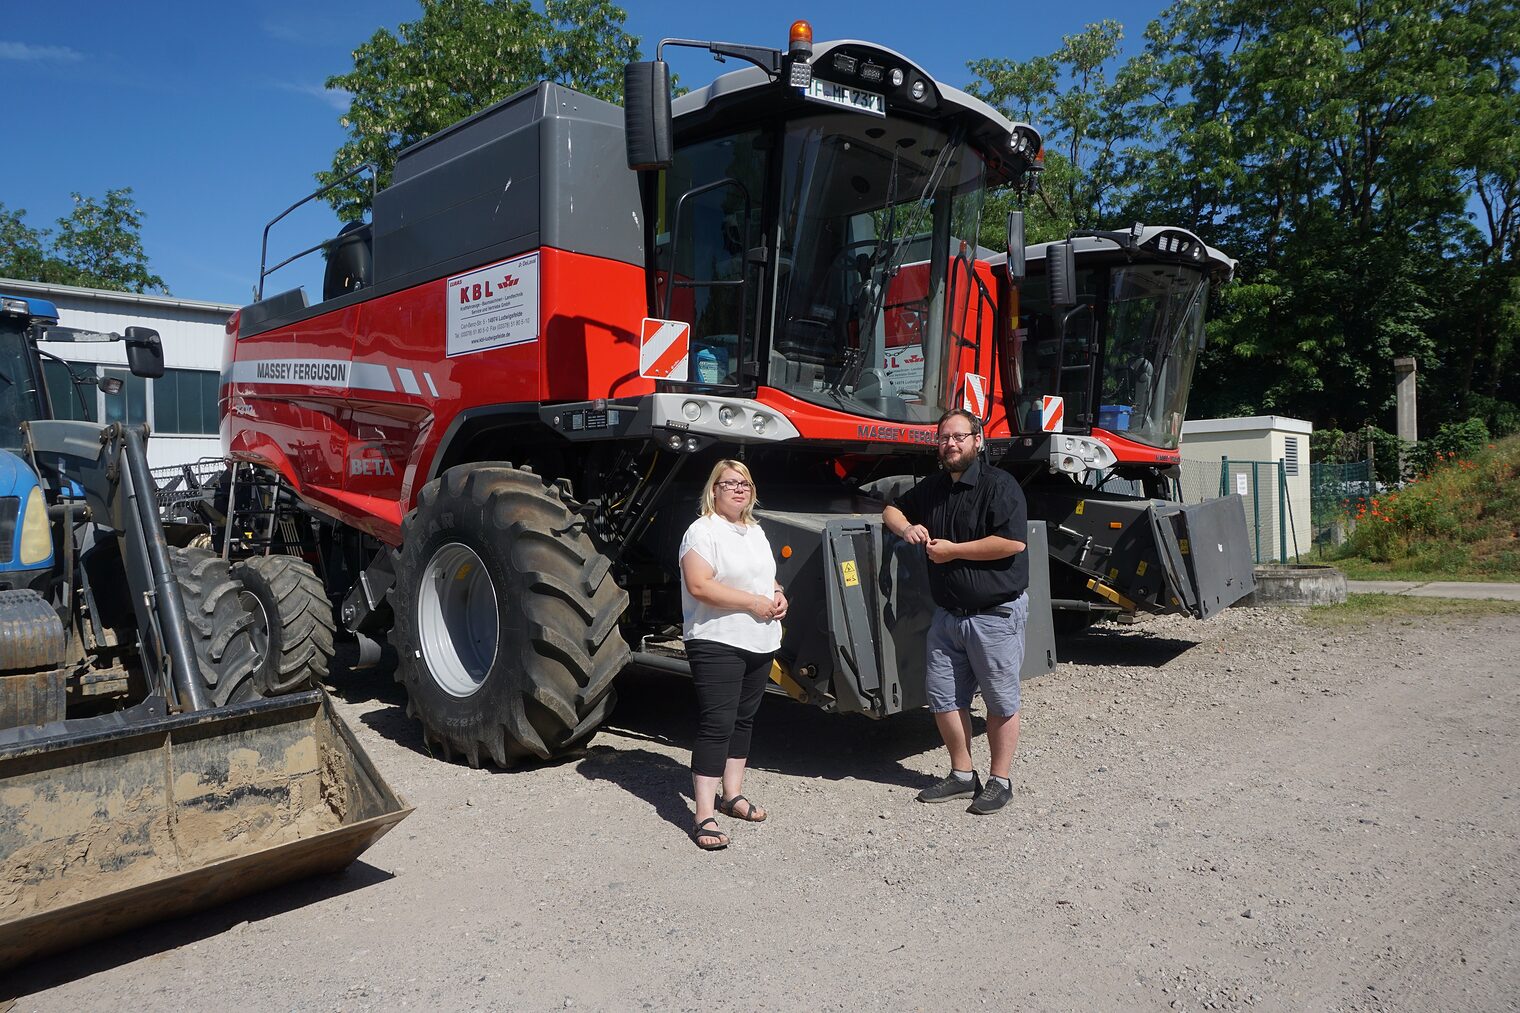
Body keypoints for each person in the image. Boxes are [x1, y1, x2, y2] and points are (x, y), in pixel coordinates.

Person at [882, 409, 1029, 815]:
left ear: (977, 441)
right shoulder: (934, 487)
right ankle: (963, 776)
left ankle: (1000, 781)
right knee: (944, 699)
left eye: (959, 437)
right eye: (944, 438)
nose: (951, 444)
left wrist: (953, 552)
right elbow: (892, 509)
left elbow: (1012, 543)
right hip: (948, 617)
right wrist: (905, 528)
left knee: (1000, 701)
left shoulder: (1001, 486)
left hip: (994, 614)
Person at [678, 459, 787, 849]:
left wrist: (776, 594)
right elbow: (699, 586)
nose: (738, 489)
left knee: (743, 720)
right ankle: (703, 814)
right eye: (729, 484)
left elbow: (764, 574)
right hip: (717, 638)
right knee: (717, 723)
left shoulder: (754, 530)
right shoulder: (702, 532)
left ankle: (732, 795)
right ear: (714, 490)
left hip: (759, 638)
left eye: (744, 483)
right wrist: (753, 603)